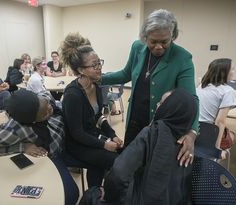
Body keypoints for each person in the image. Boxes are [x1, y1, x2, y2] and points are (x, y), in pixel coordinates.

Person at [102, 9, 198, 166]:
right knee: (129, 162)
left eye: (165, 42)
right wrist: (99, 79)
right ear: (144, 37)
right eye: (153, 42)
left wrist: (192, 133)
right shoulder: (137, 47)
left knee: (149, 164)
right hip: (135, 117)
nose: (159, 47)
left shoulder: (182, 58)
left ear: (172, 36)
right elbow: (125, 74)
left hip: (159, 124)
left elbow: (191, 99)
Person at [0, 89, 79, 205]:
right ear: (31, 121)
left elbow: (47, 98)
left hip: (67, 142)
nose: (50, 110)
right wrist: (23, 147)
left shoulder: (43, 96)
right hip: (52, 157)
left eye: (47, 104)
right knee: (71, 195)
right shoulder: (16, 128)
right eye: (44, 114)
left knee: (99, 160)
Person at [99, 88, 198, 205]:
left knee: (92, 194)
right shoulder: (188, 142)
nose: (157, 105)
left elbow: (119, 175)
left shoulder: (152, 133)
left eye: (161, 103)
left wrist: (109, 195)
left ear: (169, 109)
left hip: (142, 199)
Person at [60, 32, 123, 187]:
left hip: (91, 136)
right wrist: (104, 144)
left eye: (99, 63)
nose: (99, 67)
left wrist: (112, 135)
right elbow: (76, 133)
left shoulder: (96, 86)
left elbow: (98, 117)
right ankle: (98, 195)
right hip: (76, 144)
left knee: (123, 150)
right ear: (81, 70)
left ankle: (95, 194)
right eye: (94, 65)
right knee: (118, 161)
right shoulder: (72, 95)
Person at [196, 58, 236, 150]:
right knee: (233, 136)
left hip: (193, 130)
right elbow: (220, 122)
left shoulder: (200, 86)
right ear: (224, 72)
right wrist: (216, 148)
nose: (234, 72)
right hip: (208, 133)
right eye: (232, 69)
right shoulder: (228, 91)